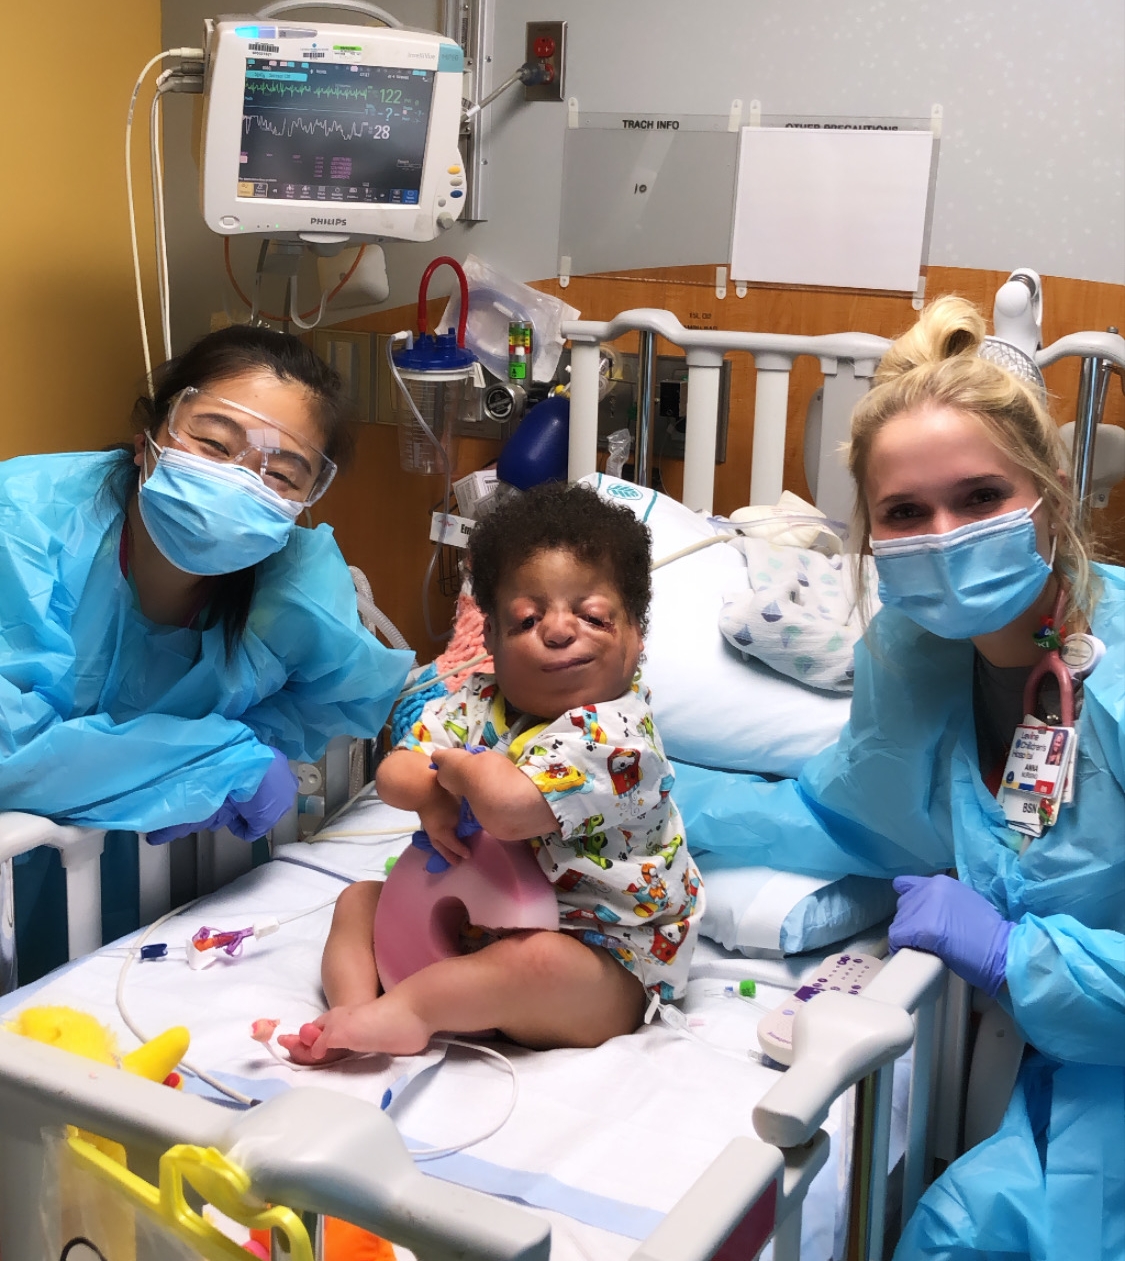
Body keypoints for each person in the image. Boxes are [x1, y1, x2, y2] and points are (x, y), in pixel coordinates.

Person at [671, 296, 1124, 1261]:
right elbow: (839, 815)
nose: (944, 533)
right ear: (870, 538)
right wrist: (617, 788)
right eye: (905, 513)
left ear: (1048, 490)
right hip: (1048, 1063)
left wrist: (1013, 955)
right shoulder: (915, 656)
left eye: (979, 497)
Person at [280, 482, 705, 1063]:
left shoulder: (618, 736)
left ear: (635, 639)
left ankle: (410, 1014)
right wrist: (430, 794)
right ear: (491, 640)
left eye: (594, 617)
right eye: (528, 619)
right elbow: (394, 772)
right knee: (358, 901)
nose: (558, 630)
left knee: (537, 961)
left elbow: (508, 810)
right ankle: (351, 1015)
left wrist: (453, 769)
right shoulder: (476, 702)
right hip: (472, 927)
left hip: (601, 959)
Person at [0, 325, 412, 841]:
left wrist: (255, 746)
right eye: (215, 443)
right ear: (145, 438)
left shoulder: (297, 589)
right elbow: (9, 751)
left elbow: (339, 699)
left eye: (282, 475)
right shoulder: (24, 522)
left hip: (168, 878)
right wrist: (215, 764)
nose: (240, 480)